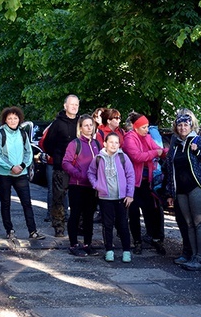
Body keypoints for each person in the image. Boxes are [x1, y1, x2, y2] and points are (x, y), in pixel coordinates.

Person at [163, 112, 201, 271]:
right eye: (180, 125)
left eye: (185, 125)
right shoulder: (175, 145)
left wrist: (198, 151)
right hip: (180, 190)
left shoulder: (199, 141)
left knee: (198, 223)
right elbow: (169, 168)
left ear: (191, 125)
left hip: (197, 187)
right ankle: (193, 256)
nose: (182, 128)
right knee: (188, 224)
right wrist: (169, 192)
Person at [0, 106, 45, 241]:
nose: (12, 121)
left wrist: (22, 166)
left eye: (15, 118)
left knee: (26, 202)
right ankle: (9, 230)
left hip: (21, 173)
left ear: (19, 119)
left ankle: (32, 231)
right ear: (5, 120)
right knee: (5, 203)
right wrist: (10, 167)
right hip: (4, 174)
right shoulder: (0, 133)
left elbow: (29, 152)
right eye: (9, 118)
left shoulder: (23, 133)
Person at [122, 112, 167, 255]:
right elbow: (137, 156)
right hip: (134, 183)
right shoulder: (129, 138)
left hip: (148, 182)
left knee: (151, 211)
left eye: (147, 126)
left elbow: (158, 150)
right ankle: (137, 241)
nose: (147, 130)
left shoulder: (147, 137)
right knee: (134, 212)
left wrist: (166, 152)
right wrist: (156, 153)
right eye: (144, 127)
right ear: (136, 128)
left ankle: (155, 239)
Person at [88, 132, 134, 262]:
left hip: (122, 198)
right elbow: (90, 172)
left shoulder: (123, 157)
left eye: (116, 142)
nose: (113, 145)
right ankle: (109, 250)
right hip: (105, 198)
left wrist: (130, 194)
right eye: (111, 142)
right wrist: (96, 185)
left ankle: (126, 251)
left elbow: (130, 176)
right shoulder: (98, 158)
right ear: (105, 143)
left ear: (119, 145)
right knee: (107, 225)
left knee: (123, 225)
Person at [41, 95, 80, 236]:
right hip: (61, 167)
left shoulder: (81, 123)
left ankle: (78, 226)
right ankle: (59, 226)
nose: (74, 107)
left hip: (78, 168)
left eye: (76, 104)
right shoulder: (57, 124)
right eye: (72, 104)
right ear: (65, 106)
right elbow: (48, 144)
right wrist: (58, 157)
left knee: (78, 198)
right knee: (58, 198)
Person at [62, 114, 100, 257]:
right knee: (76, 215)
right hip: (77, 185)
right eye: (86, 125)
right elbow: (65, 162)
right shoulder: (75, 143)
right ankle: (73, 244)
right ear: (80, 127)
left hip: (92, 186)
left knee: (89, 216)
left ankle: (87, 244)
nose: (89, 128)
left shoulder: (97, 144)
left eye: (91, 125)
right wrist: (79, 174)